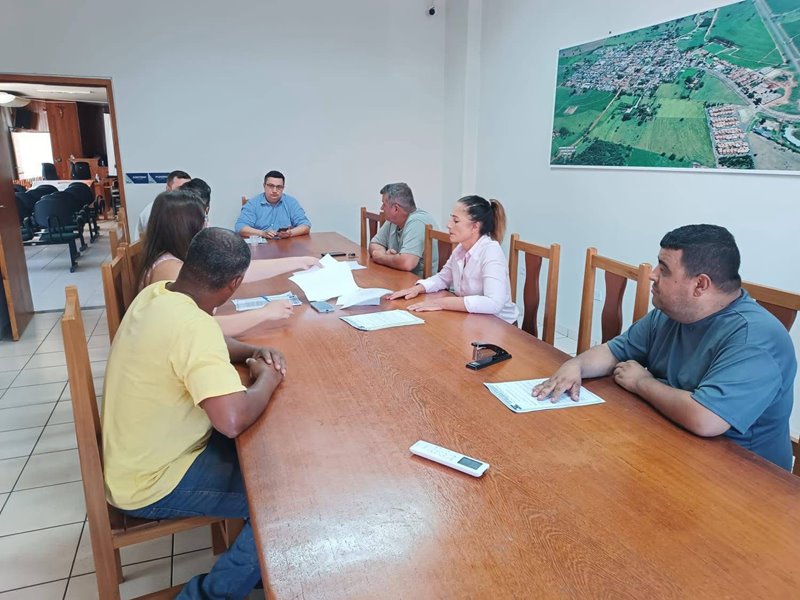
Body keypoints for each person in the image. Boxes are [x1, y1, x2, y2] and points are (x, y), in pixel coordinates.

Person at [104, 227, 282, 599]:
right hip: (152, 481)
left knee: (267, 462)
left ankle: (263, 564)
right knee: (279, 501)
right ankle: (206, 594)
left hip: (139, 455)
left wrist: (251, 349)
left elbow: (211, 340)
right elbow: (232, 420)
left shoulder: (158, 295)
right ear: (234, 283)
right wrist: (267, 379)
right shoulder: (193, 326)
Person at [533, 224, 796, 471]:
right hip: (672, 445)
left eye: (664, 269)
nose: (652, 275)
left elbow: (705, 418)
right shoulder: (670, 313)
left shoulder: (756, 337)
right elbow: (614, 351)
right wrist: (574, 365)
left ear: (700, 284)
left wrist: (640, 383)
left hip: (743, 481)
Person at [138, 190, 319, 336]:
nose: (207, 226)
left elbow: (240, 270)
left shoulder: (181, 257)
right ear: (185, 226)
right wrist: (265, 313)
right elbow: (198, 329)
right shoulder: (170, 269)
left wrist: (300, 261)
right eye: (203, 221)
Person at [388, 195, 518, 324]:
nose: (448, 225)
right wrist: (418, 288)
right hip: (474, 320)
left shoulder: (491, 251)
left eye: (456, 221)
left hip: (501, 326)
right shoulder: (461, 249)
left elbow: (494, 303)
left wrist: (442, 303)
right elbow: (443, 278)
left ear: (475, 227)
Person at [369, 182, 439, 277]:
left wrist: (381, 257)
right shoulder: (393, 220)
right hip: (398, 276)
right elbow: (374, 244)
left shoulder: (417, 222)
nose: (381, 208)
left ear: (396, 209)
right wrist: (385, 255)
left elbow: (407, 263)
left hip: (418, 284)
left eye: (384, 204)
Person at [235, 170, 311, 239]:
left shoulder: (291, 202)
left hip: (285, 246)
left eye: (279, 187)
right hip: (261, 247)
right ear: (264, 186)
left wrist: (290, 233)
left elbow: (305, 225)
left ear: (283, 188)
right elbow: (240, 227)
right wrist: (262, 233)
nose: (275, 190)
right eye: (271, 186)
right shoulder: (253, 203)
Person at [137, 169, 190, 236]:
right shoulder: (151, 211)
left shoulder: (192, 208)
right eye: (179, 189)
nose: (185, 193)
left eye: (189, 189)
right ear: (168, 189)